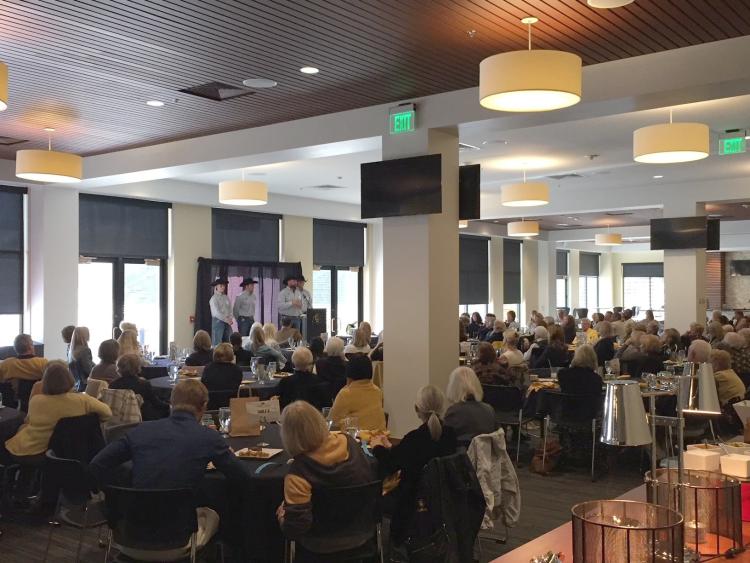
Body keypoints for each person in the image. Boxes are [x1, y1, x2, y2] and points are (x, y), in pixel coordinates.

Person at [90, 379, 247, 561]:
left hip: (126, 537)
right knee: (218, 512)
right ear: (204, 406)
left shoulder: (140, 431)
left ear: (171, 404)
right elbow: (241, 476)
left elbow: (97, 465)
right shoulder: (208, 438)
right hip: (179, 541)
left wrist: (117, 497)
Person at [277, 401, 373, 554]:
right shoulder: (350, 444)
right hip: (362, 532)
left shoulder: (298, 473)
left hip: (319, 543)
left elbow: (296, 528)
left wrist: (282, 516)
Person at [370, 386, 456, 546]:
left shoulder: (414, 439)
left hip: (411, 502)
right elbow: (407, 456)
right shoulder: (451, 435)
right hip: (444, 499)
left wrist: (377, 447)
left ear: (417, 409)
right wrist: (391, 448)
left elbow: (391, 465)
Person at [4, 362, 111, 459]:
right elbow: (107, 413)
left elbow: (27, 422)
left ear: (45, 382)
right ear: (69, 379)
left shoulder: (36, 401)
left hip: (21, 449)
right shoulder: (82, 400)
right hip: (53, 453)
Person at [329, 355, 386, 431]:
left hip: (358, 438)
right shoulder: (377, 391)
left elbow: (333, 421)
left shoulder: (346, 393)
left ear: (349, 372)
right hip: (380, 436)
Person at [110, 353, 169, 421]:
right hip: (142, 418)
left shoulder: (113, 384)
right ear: (137, 367)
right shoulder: (143, 384)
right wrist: (169, 405)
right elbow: (156, 403)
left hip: (119, 419)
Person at [444, 367, 496, 443]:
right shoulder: (489, 410)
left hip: (462, 453)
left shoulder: (453, 412)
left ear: (453, 387)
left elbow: (446, 442)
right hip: (486, 453)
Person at [209, 277, 233, 346]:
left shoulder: (226, 297)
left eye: (224, 286)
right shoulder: (213, 299)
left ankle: (228, 355)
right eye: (221, 286)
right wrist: (226, 319)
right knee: (217, 342)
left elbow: (230, 309)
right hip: (218, 322)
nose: (223, 287)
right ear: (216, 287)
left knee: (229, 340)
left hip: (227, 321)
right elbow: (216, 313)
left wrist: (230, 318)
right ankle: (216, 356)